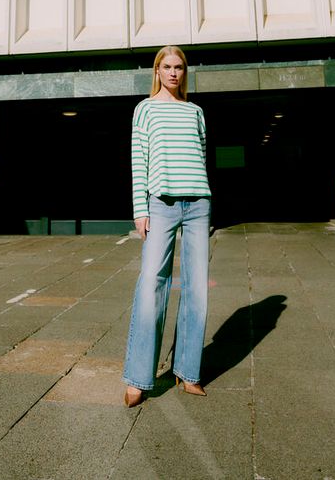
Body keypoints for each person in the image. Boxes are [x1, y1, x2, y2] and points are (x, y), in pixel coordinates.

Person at [123, 45, 212, 407]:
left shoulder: (195, 111)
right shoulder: (145, 109)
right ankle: (138, 378)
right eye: (168, 67)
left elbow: (200, 155)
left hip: (198, 205)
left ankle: (188, 372)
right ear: (157, 71)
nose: (174, 72)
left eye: (179, 67)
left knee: (197, 289)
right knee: (151, 285)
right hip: (160, 204)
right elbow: (139, 160)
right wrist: (139, 209)